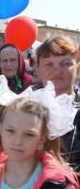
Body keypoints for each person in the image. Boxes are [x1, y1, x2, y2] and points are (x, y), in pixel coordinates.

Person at [0, 75, 79, 189]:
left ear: (42, 139)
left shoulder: (59, 184)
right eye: (10, 131)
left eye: (29, 134)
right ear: (1, 129)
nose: (18, 141)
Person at [36, 36, 80, 172]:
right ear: (37, 69)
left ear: (77, 69)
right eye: (48, 64)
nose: (57, 71)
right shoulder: (24, 106)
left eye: (66, 64)